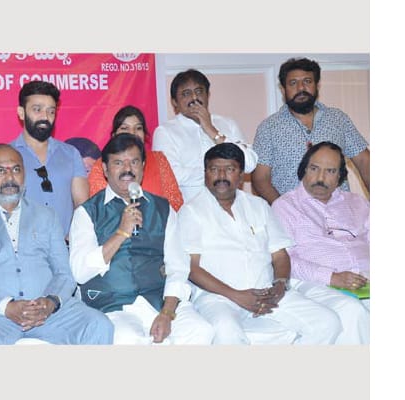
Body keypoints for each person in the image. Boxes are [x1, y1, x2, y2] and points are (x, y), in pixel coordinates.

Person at [178, 143, 341, 344]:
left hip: (267, 292)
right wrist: (237, 296)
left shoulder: (259, 206)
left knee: (327, 322)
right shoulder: (191, 211)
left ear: (241, 175)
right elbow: (191, 268)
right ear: (205, 174)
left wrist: (280, 285)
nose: (221, 175)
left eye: (229, 169)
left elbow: (280, 255)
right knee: (226, 332)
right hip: (218, 298)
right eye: (214, 169)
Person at [0, 144, 113, 345]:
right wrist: (6, 306)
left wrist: (51, 301)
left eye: (16, 169)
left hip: (49, 314)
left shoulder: (46, 216)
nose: (10, 177)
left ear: (25, 175)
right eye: (1, 171)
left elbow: (64, 272)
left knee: (99, 325)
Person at [69, 134, 213, 345]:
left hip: (160, 302)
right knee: (126, 338)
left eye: (134, 162)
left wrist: (167, 313)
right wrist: (121, 233)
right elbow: (80, 272)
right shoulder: (87, 213)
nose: (127, 169)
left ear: (143, 167)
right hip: (113, 306)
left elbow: (178, 267)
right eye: (119, 163)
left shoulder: (163, 209)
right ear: (105, 170)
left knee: (200, 331)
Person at [271, 142, 369, 344]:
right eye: (314, 169)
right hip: (317, 283)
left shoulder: (357, 202)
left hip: (366, 279)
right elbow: (285, 260)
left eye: (330, 171)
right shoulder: (285, 206)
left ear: (340, 176)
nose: (321, 178)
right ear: (304, 170)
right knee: (352, 311)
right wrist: (332, 277)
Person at [252, 57, 370, 204]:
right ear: (283, 89)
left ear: (317, 85)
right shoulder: (269, 128)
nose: (301, 88)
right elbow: (260, 179)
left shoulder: (338, 119)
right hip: (292, 215)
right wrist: (285, 211)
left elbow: (365, 162)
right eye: (293, 83)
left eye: (307, 81)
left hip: (340, 212)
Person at [153, 69, 257, 203]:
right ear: (174, 102)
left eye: (199, 91)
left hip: (232, 208)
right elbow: (170, 176)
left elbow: (249, 164)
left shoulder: (228, 124)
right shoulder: (165, 131)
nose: (194, 98)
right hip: (189, 209)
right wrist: (222, 172)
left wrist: (212, 130)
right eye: (186, 93)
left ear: (208, 95)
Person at [10, 80, 89, 237]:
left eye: (51, 111)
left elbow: (82, 206)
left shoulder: (71, 154)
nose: (45, 117)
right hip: (22, 247)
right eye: (37, 109)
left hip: (65, 247)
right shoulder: (6, 156)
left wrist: (74, 238)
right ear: (21, 112)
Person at [87, 105, 183, 210]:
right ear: (114, 135)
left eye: (138, 128)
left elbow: (175, 203)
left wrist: (152, 217)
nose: (132, 133)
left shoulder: (158, 159)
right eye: (125, 128)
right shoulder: (102, 164)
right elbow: (99, 207)